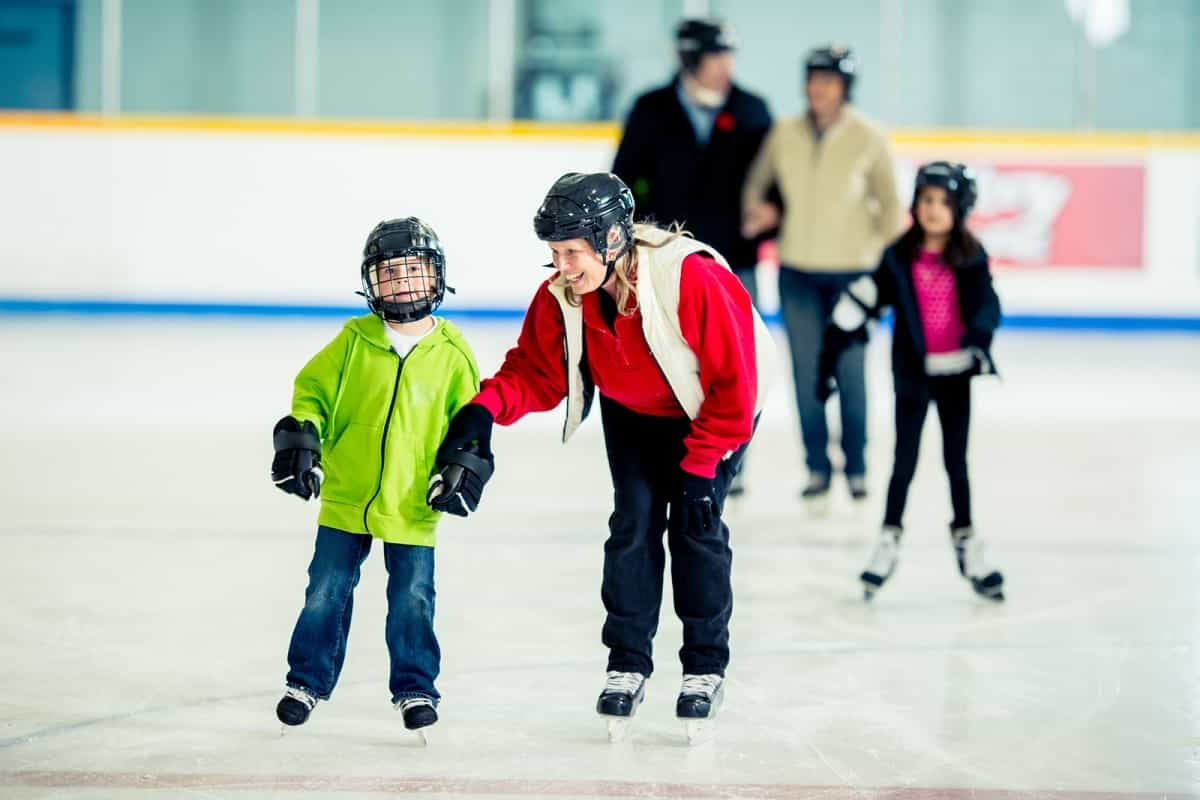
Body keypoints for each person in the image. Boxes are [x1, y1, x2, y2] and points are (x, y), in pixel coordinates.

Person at [430, 172, 773, 742]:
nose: (563, 266)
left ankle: (704, 668)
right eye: (554, 254)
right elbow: (535, 373)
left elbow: (736, 387)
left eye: (573, 252)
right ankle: (628, 662)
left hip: (710, 411)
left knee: (695, 529)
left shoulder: (691, 278)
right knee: (633, 526)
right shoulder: (563, 295)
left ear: (612, 239)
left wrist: (701, 466)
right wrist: (481, 411)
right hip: (635, 412)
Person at [269, 217, 481, 735]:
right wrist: (303, 438)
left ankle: (414, 689)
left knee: (413, 597)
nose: (403, 283)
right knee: (325, 588)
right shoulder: (354, 341)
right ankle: (307, 681)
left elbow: (470, 423)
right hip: (346, 494)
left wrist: (462, 465)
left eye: (414, 270)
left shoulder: (453, 355)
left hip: (413, 503)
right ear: (372, 282)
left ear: (436, 277)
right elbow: (312, 393)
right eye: (391, 273)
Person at [817, 162, 1005, 602]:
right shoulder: (898, 256)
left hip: (956, 372)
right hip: (913, 376)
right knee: (904, 463)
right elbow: (866, 297)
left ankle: (967, 538)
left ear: (962, 207)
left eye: (944, 202)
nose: (933, 210)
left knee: (956, 464)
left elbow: (987, 304)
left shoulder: (972, 257)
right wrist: (831, 349)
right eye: (926, 200)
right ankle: (888, 538)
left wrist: (980, 335)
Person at [612, 18, 772, 498]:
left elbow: (775, 183)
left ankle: (731, 455)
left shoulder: (752, 110)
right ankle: (675, 451)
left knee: (735, 361)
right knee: (668, 355)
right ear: (690, 59)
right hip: (663, 264)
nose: (727, 66)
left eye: (729, 55)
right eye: (716, 56)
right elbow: (625, 181)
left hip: (731, 264)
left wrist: (772, 212)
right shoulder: (650, 109)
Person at [742, 45, 904, 511]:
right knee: (806, 373)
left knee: (851, 373)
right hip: (797, 273)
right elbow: (758, 184)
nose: (819, 88)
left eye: (829, 81)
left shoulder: (869, 137)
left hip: (854, 275)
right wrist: (761, 211)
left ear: (845, 88)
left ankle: (856, 466)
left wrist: (885, 262)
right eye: (813, 79)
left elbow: (891, 205)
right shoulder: (784, 133)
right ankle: (817, 466)